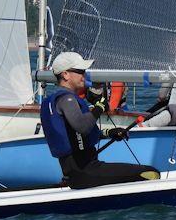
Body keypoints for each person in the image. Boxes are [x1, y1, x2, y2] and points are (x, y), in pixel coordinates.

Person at [40, 51, 160, 189]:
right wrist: (100, 107)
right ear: (65, 74)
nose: (83, 76)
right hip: (86, 172)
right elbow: (83, 127)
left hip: (74, 173)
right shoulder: (67, 99)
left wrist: (109, 133)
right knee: (151, 173)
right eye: (80, 71)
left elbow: (76, 134)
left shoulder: (54, 100)